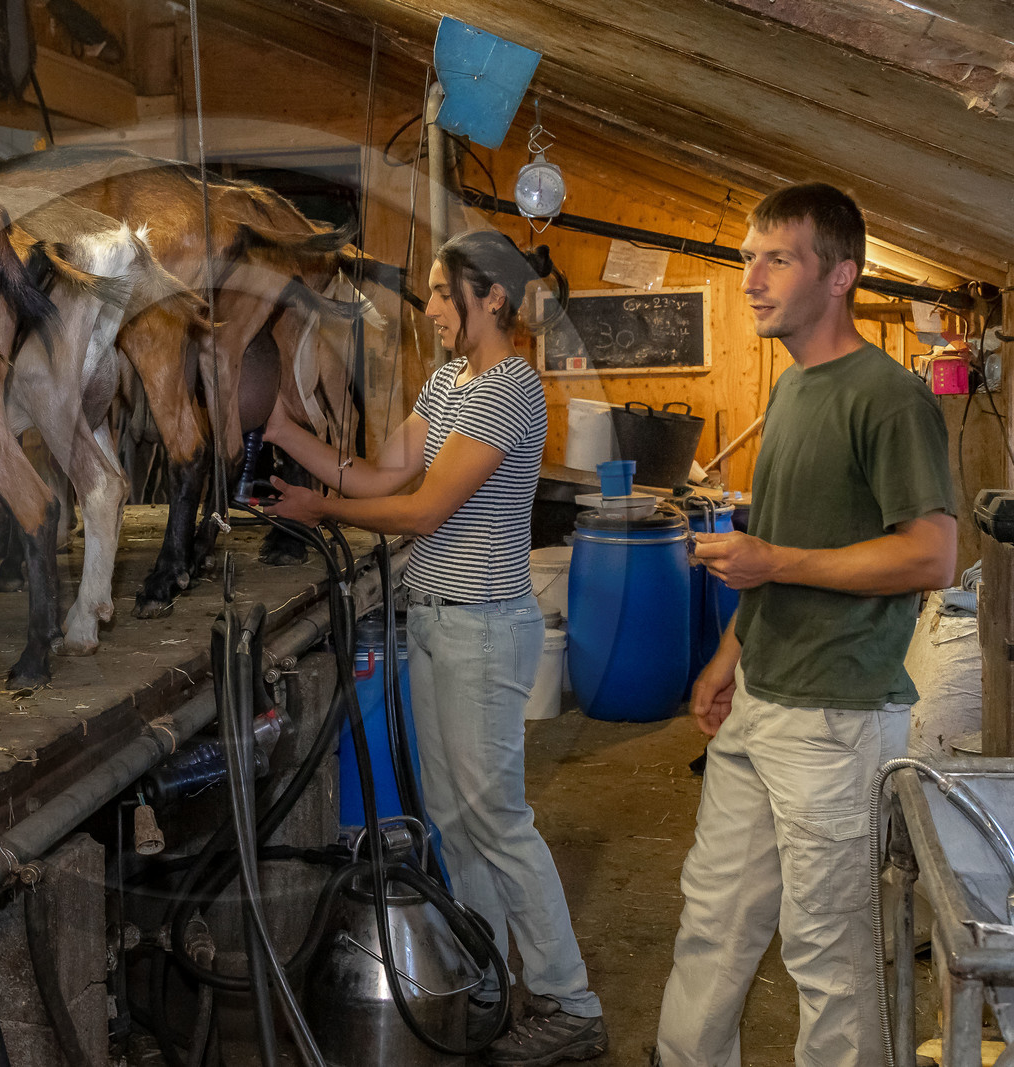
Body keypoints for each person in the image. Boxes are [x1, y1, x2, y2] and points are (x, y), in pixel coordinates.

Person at [264, 229, 608, 1067]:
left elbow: (422, 511)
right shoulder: (450, 380)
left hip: (486, 627)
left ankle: (570, 1000)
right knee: (454, 823)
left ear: (492, 296)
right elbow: (383, 472)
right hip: (440, 621)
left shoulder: (508, 390)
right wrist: (283, 431)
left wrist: (320, 512)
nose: (430, 308)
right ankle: (488, 974)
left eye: (443, 293)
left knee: (498, 819)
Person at [654, 183, 957, 1066]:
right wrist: (728, 653)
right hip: (760, 697)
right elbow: (785, 542)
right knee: (712, 921)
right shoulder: (791, 392)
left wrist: (772, 563)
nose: (751, 277)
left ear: (840, 274)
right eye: (748, 257)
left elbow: (931, 556)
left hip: (837, 714)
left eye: (775, 257)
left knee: (830, 952)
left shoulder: (889, 397)